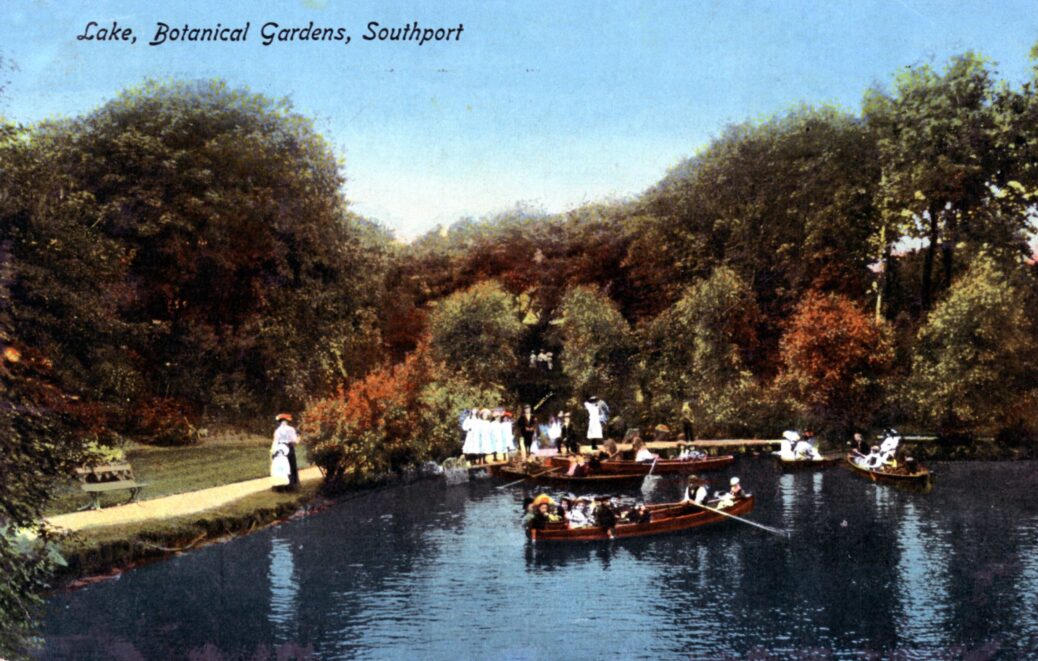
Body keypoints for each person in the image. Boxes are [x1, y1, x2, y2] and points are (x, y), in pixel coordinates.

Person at [273, 413, 300, 490]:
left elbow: (275, 441)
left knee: (281, 466)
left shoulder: (277, 431)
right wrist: (298, 435)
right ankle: (292, 484)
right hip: (289, 447)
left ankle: (281, 485)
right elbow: (295, 441)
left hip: (280, 448)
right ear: (286, 421)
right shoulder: (291, 429)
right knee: (291, 465)